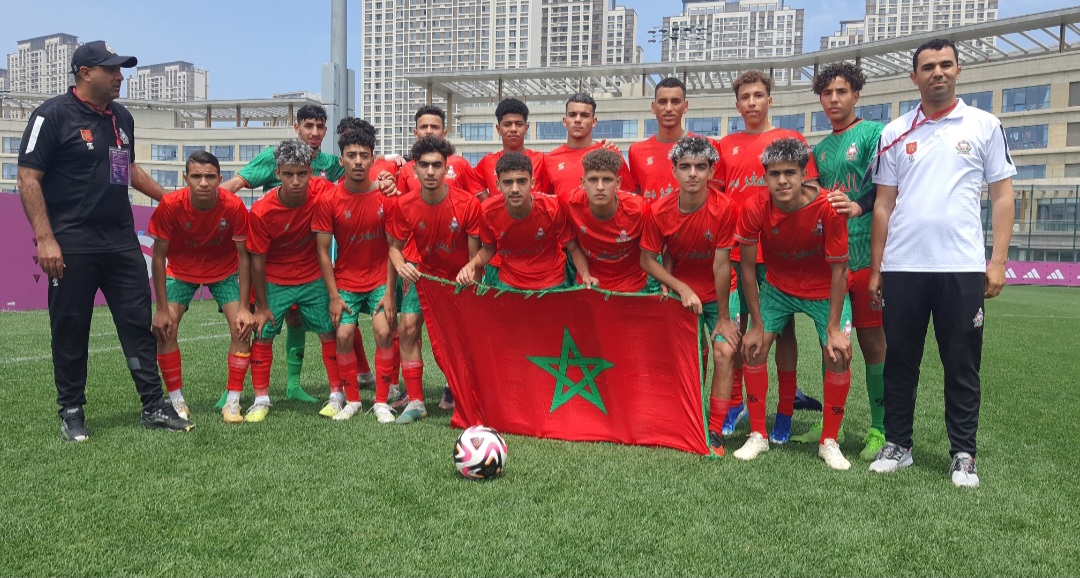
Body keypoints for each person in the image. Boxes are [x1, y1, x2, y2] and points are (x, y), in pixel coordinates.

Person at [16, 40, 194, 441]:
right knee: (71, 328)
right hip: (71, 244)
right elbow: (28, 178)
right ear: (85, 74)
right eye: (112, 70)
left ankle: (153, 405)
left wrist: (171, 200)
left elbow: (126, 169)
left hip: (121, 242)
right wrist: (45, 239)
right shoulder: (52, 116)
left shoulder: (121, 117)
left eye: (121, 69)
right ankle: (72, 412)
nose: (120, 77)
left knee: (137, 324)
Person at [868, 39, 1016, 488]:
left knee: (961, 362)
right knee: (900, 361)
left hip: (962, 267)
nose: (937, 72)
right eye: (928, 67)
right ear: (913, 77)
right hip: (903, 267)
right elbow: (882, 205)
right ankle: (899, 444)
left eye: (945, 65)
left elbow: (1003, 195)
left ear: (958, 70)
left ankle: (963, 454)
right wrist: (877, 267)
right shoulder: (893, 131)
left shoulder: (985, 125)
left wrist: (998, 261)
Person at [733, 138, 854, 470]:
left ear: (805, 174)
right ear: (765, 177)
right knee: (753, 348)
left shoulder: (829, 207)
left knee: (838, 354)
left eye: (790, 172)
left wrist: (833, 329)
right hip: (778, 286)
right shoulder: (755, 206)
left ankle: (829, 441)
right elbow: (746, 267)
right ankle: (757, 435)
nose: (782, 181)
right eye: (774, 174)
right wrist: (756, 324)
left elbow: (839, 268)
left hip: (824, 290)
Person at [715, 69, 821, 441]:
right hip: (739, 251)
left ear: (769, 99)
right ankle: (736, 405)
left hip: (780, 253)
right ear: (737, 103)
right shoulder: (724, 146)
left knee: (784, 330)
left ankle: (786, 411)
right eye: (745, 97)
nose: (751, 103)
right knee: (745, 328)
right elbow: (718, 199)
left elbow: (811, 192)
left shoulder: (789, 138)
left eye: (758, 95)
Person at [221, 104, 342, 404]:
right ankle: (236, 393)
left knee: (311, 324)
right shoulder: (269, 166)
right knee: (256, 325)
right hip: (274, 267)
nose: (314, 132)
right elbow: (234, 185)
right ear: (296, 126)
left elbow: (357, 175)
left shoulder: (326, 166)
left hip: (309, 267)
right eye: (308, 126)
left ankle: (300, 386)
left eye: (320, 126)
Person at [639, 136, 739, 456]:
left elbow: (722, 264)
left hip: (722, 291)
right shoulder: (658, 211)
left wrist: (723, 318)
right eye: (685, 167)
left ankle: (716, 431)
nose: (692, 174)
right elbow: (647, 260)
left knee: (724, 352)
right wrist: (680, 286)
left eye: (700, 167)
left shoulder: (725, 207)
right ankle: (690, 420)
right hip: (686, 294)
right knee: (694, 360)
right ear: (674, 171)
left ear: (712, 170)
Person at [812, 62, 888, 460]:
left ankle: (880, 428)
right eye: (827, 93)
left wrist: (858, 206)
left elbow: (888, 187)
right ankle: (831, 431)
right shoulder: (819, 151)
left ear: (856, 95)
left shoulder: (876, 134)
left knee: (873, 342)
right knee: (833, 346)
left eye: (842, 91)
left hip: (869, 256)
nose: (834, 99)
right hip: (833, 264)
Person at [148, 151, 254, 423]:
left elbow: (245, 256)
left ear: (220, 178)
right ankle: (176, 400)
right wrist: (160, 309)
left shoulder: (233, 207)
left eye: (209, 176)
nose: (203, 182)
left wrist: (244, 307)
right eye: (196, 176)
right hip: (181, 271)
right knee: (165, 327)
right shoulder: (171, 205)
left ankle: (233, 402)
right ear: (186, 178)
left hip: (223, 271)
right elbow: (158, 257)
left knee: (242, 328)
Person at [386, 136, 482, 424]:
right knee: (407, 328)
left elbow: (476, 257)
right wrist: (401, 264)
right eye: (424, 165)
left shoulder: (467, 204)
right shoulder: (404, 205)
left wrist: (470, 271)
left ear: (446, 168)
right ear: (414, 170)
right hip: (424, 277)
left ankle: (462, 393)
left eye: (436, 165)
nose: (430, 171)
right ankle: (416, 401)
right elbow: (393, 248)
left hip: (458, 283)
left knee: (460, 340)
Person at [245, 139, 339, 422]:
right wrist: (260, 305)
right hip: (275, 279)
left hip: (313, 277)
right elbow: (256, 261)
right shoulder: (262, 211)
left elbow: (353, 192)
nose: (296, 181)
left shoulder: (323, 191)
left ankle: (336, 394)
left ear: (311, 171)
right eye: (289, 174)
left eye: (302, 173)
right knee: (263, 334)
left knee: (329, 332)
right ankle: (261, 399)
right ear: (278, 173)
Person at [313, 130, 397, 422]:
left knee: (384, 332)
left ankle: (382, 402)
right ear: (342, 160)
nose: (358, 162)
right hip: (346, 281)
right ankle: (352, 401)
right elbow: (323, 252)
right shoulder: (329, 199)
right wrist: (334, 296)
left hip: (379, 281)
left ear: (373, 159)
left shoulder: (386, 197)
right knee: (344, 335)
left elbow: (392, 247)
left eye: (364, 155)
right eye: (352, 156)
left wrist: (389, 291)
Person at [457, 152, 587, 291]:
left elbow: (573, 248)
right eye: (507, 182)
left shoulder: (552, 207)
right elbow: (489, 249)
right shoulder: (487, 211)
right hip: (509, 283)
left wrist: (586, 275)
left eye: (521, 181)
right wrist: (471, 265)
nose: (515, 189)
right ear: (498, 185)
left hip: (552, 282)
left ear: (532, 182)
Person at [563, 148, 650, 293]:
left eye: (607, 180)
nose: (600, 187)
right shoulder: (568, 203)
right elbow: (573, 247)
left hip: (632, 288)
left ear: (618, 182)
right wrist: (585, 274)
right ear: (583, 183)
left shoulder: (640, 210)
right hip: (590, 284)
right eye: (593, 180)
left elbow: (653, 253)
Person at [627, 77, 720, 204]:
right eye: (663, 101)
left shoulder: (708, 146)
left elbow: (716, 198)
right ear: (653, 107)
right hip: (653, 223)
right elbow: (636, 197)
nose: (669, 108)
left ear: (685, 106)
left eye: (675, 101)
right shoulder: (636, 151)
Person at [543, 93, 635, 201]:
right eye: (572, 115)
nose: (577, 120)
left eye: (584, 115)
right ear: (564, 121)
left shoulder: (610, 153)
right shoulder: (549, 159)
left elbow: (628, 196)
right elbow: (547, 201)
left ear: (594, 122)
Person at [474, 98, 551, 200]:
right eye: (507, 124)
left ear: (526, 128)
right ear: (498, 129)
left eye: (518, 124)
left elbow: (547, 196)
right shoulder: (486, 162)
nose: (513, 129)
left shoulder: (541, 160)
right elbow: (475, 188)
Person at [397, 106, 482, 196]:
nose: (429, 131)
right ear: (415, 133)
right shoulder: (406, 169)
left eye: (435, 127)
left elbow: (481, 202)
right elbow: (402, 205)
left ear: (444, 133)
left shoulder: (461, 164)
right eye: (423, 127)